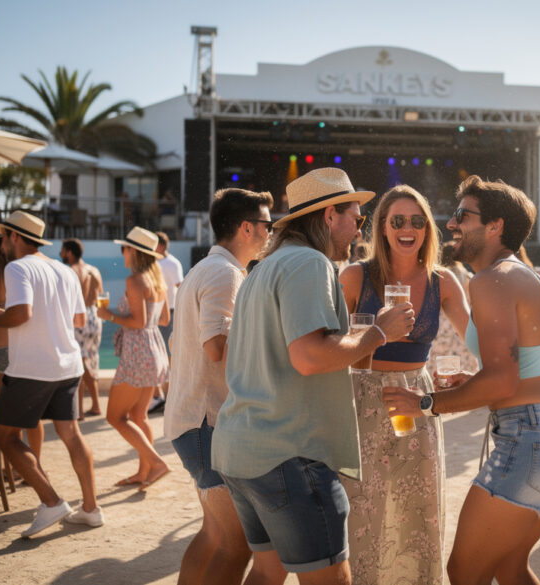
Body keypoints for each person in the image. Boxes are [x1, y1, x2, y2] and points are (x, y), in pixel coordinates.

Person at [212, 167, 414, 581]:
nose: (359, 229)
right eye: (356, 217)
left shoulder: (263, 268)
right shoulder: (309, 263)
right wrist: (378, 333)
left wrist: (354, 341)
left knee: (266, 573)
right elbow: (308, 357)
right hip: (288, 454)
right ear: (328, 215)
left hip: (242, 449)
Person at [383, 175, 540, 585]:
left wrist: (425, 404)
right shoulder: (525, 276)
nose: (451, 223)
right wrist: (472, 379)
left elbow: (502, 382)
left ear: (495, 226)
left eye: (463, 215)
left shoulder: (492, 279)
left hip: (529, 438)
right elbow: (526, 367)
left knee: (464, 571)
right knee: (510, 569)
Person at [338, 185, 469, 584]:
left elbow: (481, 338)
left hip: (416, 399)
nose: (407, 229)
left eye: (417, 221)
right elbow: (328, 345)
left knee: (417, 509)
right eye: (397, 221)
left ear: (428, 228)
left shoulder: (443, 281)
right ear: (382, 227)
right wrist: (375, 333)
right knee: (363, 510)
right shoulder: (354, 277)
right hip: (361, 400)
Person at [166, 188, 286, 585]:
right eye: (268, 225)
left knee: (214, 534)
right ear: (247, 228)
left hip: (192, 420)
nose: (271, 232)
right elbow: (217, 347)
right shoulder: (225, 273)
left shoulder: (207, 268)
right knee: (236, 544)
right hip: (206, 423)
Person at [0, 210, 102, 537]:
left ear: (15, 236)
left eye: (4, 236)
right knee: (71, 434)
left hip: (32, 368)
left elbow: (22, 314)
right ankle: (91, 509)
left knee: (5, 437)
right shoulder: (65, 270)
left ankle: (51, 501)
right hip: (68, 365)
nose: (2, 242)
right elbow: (78, 320)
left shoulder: (17, 268)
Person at [98, 227, 171, 490]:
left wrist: (109, 316)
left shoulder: (135, 281)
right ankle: (144, 471)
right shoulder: (157, 281)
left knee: (115, 417)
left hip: (138, 353)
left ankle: (157, 463)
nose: (122, 253)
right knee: (139, 416)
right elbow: (164, 320)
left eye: (124, 248)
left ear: (134, 252)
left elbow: (138, 322)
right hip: (154, 351)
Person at [0, 236, 42, 483]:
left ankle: (12, 468)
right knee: (32, 414)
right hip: (28, 349)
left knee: (5, 414)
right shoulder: (30, 273)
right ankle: (35, 466)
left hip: (2, 348)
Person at [60, 238, 104, 417]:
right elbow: (100, 294)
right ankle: (95, 405)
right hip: (95, 317)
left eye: (63, 250)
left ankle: (79, 411)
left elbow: (67, 301)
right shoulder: (95, 270)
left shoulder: (70, 271)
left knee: (79, 363)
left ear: (69, 253)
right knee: (90, 360)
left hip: (79, 317)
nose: (61, 254)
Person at [428, 242, 478, 375]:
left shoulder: (439, 276)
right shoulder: (467, 276)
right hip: (461, 323)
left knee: (438, 370)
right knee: (461, 369)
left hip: (441, 326)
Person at [149, 231, 183, 413]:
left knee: (168, 355)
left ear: (160, 246)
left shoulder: (171, 263)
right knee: (157, 354)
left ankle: (168, 398)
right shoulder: (158, 262)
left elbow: (180, 287)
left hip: (169, 311)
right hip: (157, 312)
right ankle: (160, 397)